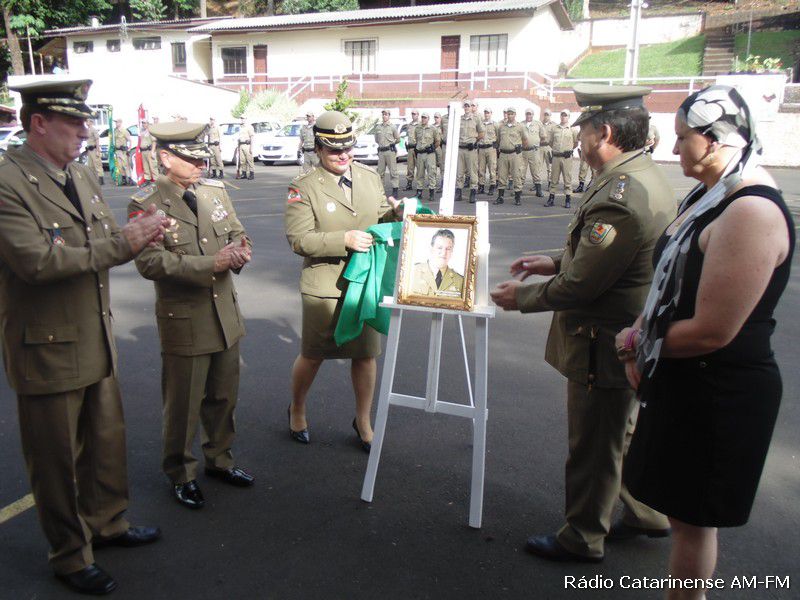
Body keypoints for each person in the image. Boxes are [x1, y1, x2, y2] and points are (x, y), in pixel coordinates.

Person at [619, 85, 794, 599]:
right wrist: (640, 331)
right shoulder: (713, 194)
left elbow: (713, 330)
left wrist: (635, 344)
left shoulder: (749, 211)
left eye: (683, 138)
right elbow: (669, 289)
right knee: (682, 516)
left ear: (716, 140)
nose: (674, 149)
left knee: (693, 522)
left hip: (719, 391)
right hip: (686, 379)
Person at [490, 84, 675, 563]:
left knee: (593, 444)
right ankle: (645, 512)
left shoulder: (621, 194)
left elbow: (583, 285)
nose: (579, 141)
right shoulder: (638, 174)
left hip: (602, 338)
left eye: (584, 131)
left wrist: (520, 298)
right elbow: (600, 253)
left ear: (605, 133)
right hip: (625, 332)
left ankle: (583, 536)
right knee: (619, 434)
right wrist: (552, 260)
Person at [0, 78, 167, 595]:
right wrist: (124, 244)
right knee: (56, 460)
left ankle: (108, 523)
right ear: (39, 123)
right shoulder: (7, 182)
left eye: (85, 123)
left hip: (94, 335)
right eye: (73, 123)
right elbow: (36, 262)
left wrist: (142, 233)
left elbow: (105, 236)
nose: (85, 133)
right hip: (46, 345)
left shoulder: (79, 173)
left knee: (105, 442)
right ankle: (70, 555)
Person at [128, 122, 255, 510]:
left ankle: (220, 459)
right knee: (183, 404)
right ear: (166, 158)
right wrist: (212, 263)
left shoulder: (214, 192)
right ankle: (181, 473)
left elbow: (237, 233)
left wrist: (241, 251)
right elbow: (150, 263)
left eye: (203, 157)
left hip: (224, 314)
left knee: (223, 396)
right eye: (191, 158)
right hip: (185, 318)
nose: (201, 164)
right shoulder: (147, 204)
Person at [284, 111, 402, 453]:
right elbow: (299, 239)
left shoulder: (369, 177)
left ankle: (363, 420)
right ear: (319, 149)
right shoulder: (303, 187)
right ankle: (297, 408)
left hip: (365, 283)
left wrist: (395, 214)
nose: (343, 155)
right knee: (313, 355)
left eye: (348, 148)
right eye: (335, 150)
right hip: (325, 286)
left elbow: (379, 215)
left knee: (365, 355)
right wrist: (343, 240)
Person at [410, 228, 464, 297]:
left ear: (452, 251)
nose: (444, 253)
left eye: (448, 249)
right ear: (431, 249)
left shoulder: (460, 281)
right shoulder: (412, 272)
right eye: (439, 248)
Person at [493, 107, 528, 206]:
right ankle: (500, 197)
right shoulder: (501, 127)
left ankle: (517, 197)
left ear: (515, 115)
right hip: (503, 154)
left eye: (512, 114)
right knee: (501, 175)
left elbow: (525, 140)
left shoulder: (520, 126)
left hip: (514, 154)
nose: (510, 116)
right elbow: (498, 140)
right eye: (508, 114)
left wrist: (520, 149)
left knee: (517, 175)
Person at [546, 110, 578, 208]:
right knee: (554, 178)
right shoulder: (554, 128)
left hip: (566, 157)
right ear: (560, 116)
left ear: (568, 117)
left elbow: (575, 143)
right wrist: (557, 150)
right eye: (562, 115)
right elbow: (550, 142)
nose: (564, 117)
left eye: (566, 116)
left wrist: (568, 150)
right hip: (556, 157)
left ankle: (568, 199)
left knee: (567, 178)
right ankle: (551, 199)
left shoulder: (572, 129)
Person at [454, 100, 484, 203]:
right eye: (465, 106)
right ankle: (458, 192)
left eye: (468, 106)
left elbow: (482, 133)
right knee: (459, 172)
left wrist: (475, 141)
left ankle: (473, 192)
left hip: (471, 150)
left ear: (471, 107)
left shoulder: (476, 119)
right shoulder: (459, 119)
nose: (466, 108)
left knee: (472, 172)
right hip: (460, 148)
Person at [413, 112, 441, 202]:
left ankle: (431, 192)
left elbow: (438, 141)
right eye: (422, 117)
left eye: (425, 118)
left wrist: (432, 148)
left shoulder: (433, 128)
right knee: (419, 173)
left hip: (429, 154)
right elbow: (416, 139)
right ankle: (419, 192)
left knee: (431, 173)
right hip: (420, 154)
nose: (423, 119)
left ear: (428, 119)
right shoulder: (417, 128)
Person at [520, 108, 546, 197]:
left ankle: (538, 190)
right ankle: (519, 189)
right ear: (525, 115)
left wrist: (535, 143)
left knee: (536, 171)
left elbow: (543, 136)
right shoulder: (521, 124)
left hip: (534, 151)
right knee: (521, 171)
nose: (529, 116)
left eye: (530, 114)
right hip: (523, 151)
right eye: (527, 114)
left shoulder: (538, 124)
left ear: (533, 115)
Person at [374, 109, 400, 197]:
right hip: (381, 152)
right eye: (383, 114)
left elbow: (398, 139)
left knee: (393, 171)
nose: (384, 116)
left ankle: (395, 189)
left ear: (389, 116)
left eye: (386, 114)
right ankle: (381, 191)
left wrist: (392, 144)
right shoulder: (378, 127)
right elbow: (376, 139)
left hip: (390, 151)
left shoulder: (393, 127)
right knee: (380, 172)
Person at [477, 108, 498, 196]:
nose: (486, 114)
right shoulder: (480, 124)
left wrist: (495, 146)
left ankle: (492, 185)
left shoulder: (495, 124)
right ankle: (481, 186)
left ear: (491, 113)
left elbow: (498, 136)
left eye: (488, 113)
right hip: (481, 148)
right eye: (485, 113)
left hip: (490, 148)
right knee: (481, 169)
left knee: (492, 168)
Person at [113, 117, 132, 186]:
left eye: (117, 122)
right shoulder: (115, 131)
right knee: (120, 166)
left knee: (126, 165)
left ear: (120, 123)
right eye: (115, 122)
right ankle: (124, 179)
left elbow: (130, 140)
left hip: (123, 151)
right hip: (118, 151)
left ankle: (129, 179)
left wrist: (129, 149)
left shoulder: (124, 131)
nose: (116, 123)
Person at [404, 109, 420, 190]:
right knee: (410, 167)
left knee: (419, 167)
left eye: (415, 114)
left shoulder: (420, 124)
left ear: (418, 115)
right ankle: (409, 183)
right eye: (412, 114)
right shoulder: (409, 125)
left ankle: (420, 184)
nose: (413, 115)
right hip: (410, 148)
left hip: (418, 149)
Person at [86, 120, 103, 185]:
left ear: (91, 122)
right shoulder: (87, 130)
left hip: (94, 149)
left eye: (87, 121)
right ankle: (94, 179)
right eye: (86, 121)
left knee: (97, 164)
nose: (86, 123)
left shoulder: (93, 130)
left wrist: (98, 151)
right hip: (89, 150)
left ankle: (101, 179)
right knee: (90, 165)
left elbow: (97, 140)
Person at [540, 109, 555, 184]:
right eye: (545, 114)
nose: (546, 116)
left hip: (549, 147)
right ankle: (537, 183)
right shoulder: (539, 124)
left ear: (550, 116)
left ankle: (550, 183)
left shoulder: (554, 125)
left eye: (547, 115)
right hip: (540, 147)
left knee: (550, 166)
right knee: (538, 166)